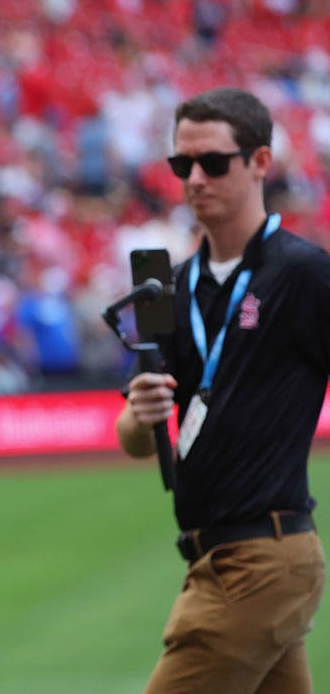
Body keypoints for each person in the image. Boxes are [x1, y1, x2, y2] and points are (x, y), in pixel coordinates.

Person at [116, 86, 326, 693]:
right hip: (215, 557)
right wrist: (141, 411)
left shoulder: (305, 274)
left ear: (261, 162)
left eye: (214, 162)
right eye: (183, 165)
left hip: (262, 559)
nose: (195, 179)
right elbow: (133, 437)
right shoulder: (163, 285)